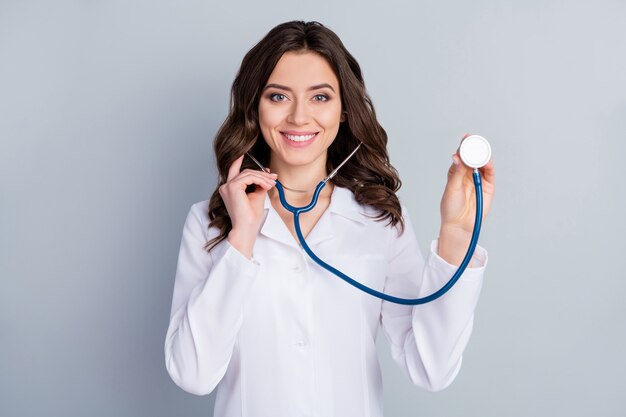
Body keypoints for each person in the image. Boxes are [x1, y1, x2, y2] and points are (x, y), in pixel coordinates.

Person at [164, 20, 495, 417]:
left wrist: (456, 235)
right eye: (278, 96)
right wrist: (242, 241)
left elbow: (432, 368)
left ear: (343, 111)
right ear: (255, 107)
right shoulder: (209, 222)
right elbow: (193, 374)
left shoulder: (381, 222)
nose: (300, 117)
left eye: (320, 97)